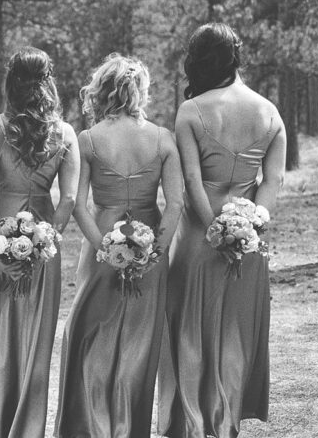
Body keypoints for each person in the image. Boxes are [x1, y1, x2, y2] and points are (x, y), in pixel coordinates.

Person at [158, 23, 286, 438]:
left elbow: (193, 181)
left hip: (198, 237)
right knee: (235, 331)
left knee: (190, 328)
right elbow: (273, 182)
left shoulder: (192, 111)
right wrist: (248, 227)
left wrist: (216, 229)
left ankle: (190, 424)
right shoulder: (269, 111)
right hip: (250, 242)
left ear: (197, 60)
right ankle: (225, 421)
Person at [56, 54, 182, 438]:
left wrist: (106, 250)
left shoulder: (89, 139)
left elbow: (77, 204)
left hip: (102, 241)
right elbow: (175, 203)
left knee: (90, 332)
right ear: (139, 91)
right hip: (150, 241)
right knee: (140, 340)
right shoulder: (162, 138)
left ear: (102, 91)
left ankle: (90, 426)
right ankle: (129, 427)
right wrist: (154, 251)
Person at [0, 48, 79, 438]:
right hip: (45, 241)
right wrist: (45, 240)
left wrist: (1, 247)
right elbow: (69, 200)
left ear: (10, 83)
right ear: (49, 84)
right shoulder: (65, 133)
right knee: (34, 341)